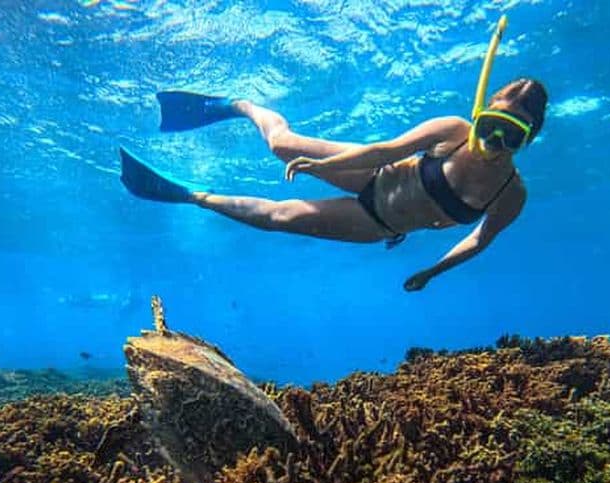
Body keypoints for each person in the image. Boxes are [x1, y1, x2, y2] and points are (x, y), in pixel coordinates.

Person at [120, 18, 547, 292]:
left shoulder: (511, 195)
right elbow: (385, 149)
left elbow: (478, 240)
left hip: (377, 223)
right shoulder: (453, 130)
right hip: (375, 174)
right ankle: (241, 104)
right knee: (280, 145)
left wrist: (431, 273)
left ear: (529, 140)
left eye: (511, 135)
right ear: (480, 112)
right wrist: (324, 167)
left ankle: (193, 195)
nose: (493, 141)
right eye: (491, 125)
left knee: (278, 219)